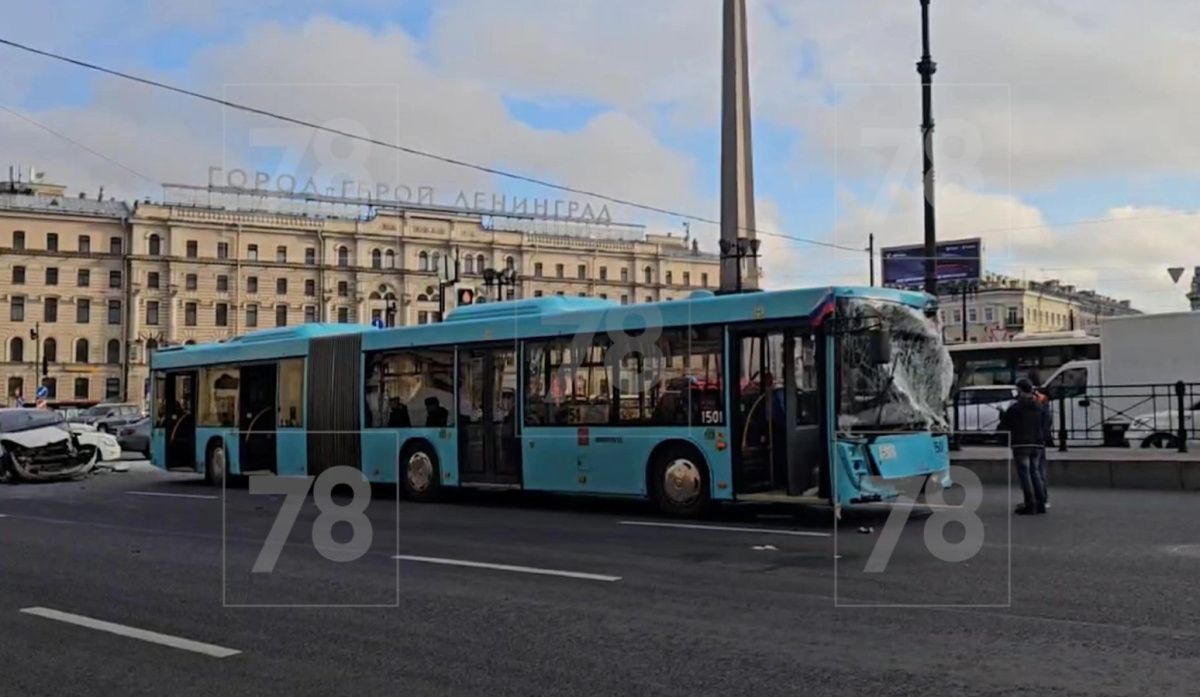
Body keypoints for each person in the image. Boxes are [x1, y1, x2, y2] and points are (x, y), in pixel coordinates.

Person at [999, 378, 1049, 515]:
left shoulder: (1015, 407)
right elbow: (1046, 422)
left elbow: (1004, 424)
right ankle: (1041, 503)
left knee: (1025, 474)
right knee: (1036, 472)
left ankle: (1030, 503)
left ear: (1019, 390)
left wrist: (1002, 414)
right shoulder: (1040, 406)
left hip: (1021, 443)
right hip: (1038, 443)